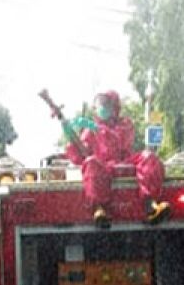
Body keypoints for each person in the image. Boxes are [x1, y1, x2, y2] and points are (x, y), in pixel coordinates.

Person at [63, 91, 170, 227]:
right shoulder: (89, 131)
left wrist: (98, 128)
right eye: (100, 105)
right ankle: (99, 208)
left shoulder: (125, 124)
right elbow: (79, 157)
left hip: (126, 164)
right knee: (90, 163)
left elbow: (120, 140)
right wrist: (71, 138)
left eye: (107, 104)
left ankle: (151, 204)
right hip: (104, 168)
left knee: (149, 157)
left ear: (115, 107)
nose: (102, 108)